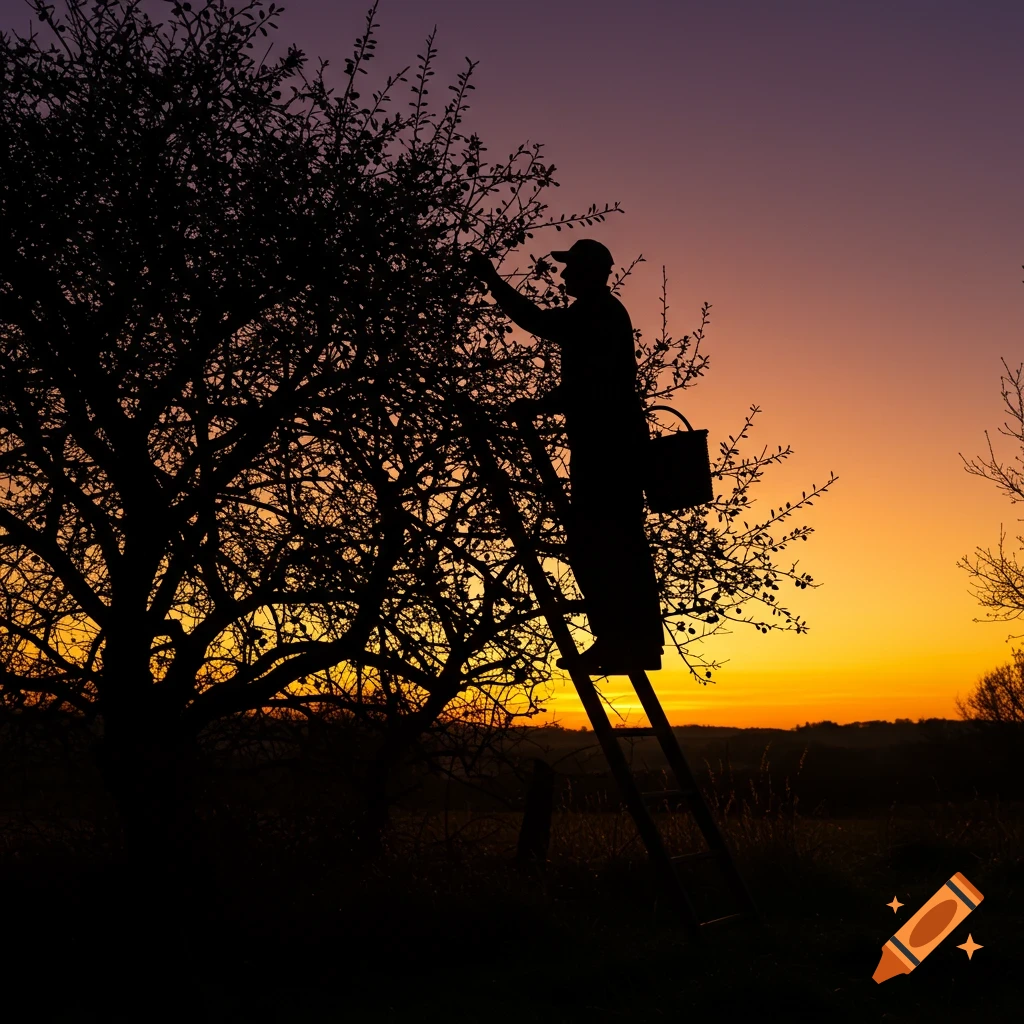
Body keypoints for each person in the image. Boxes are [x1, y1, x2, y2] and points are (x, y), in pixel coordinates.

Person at [465, 239, 663, 673]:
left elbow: (543, 329)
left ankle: (621, 642)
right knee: (618, 542)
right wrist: (541, 405)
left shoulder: (596, 313)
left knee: (601, 543)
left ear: (590, 271)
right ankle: (633, 642)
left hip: (607, 447)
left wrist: (493, 281)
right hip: (611, 443)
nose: (564, 274)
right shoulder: (599, 313)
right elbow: (585, 380)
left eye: (571, 267)